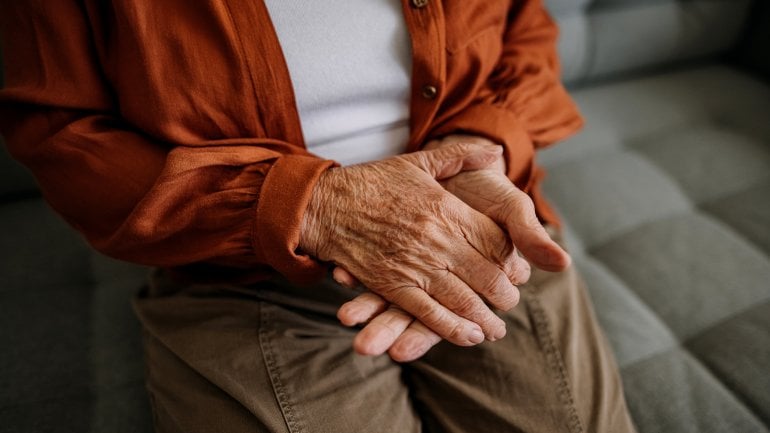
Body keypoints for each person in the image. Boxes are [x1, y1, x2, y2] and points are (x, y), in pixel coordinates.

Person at [0, 1, 637, 432]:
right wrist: (316, 206)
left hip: (470, 218)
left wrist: (475, 149)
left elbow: (525, 33)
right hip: (231, 262)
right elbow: (60, 132)